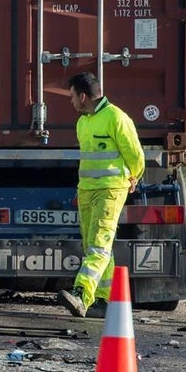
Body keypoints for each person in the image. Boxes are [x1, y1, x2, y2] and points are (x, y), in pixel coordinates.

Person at [58, 71, 145, 319]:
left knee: (98, 245)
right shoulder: (83, 122)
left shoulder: (116, 118)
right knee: (95, 247)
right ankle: (104, 301)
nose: (71, 101)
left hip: (110, 191)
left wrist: (133, 177)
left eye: (72, 96)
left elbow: (136, 156)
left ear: (83, 96)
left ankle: (81, 294)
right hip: (86, 191)